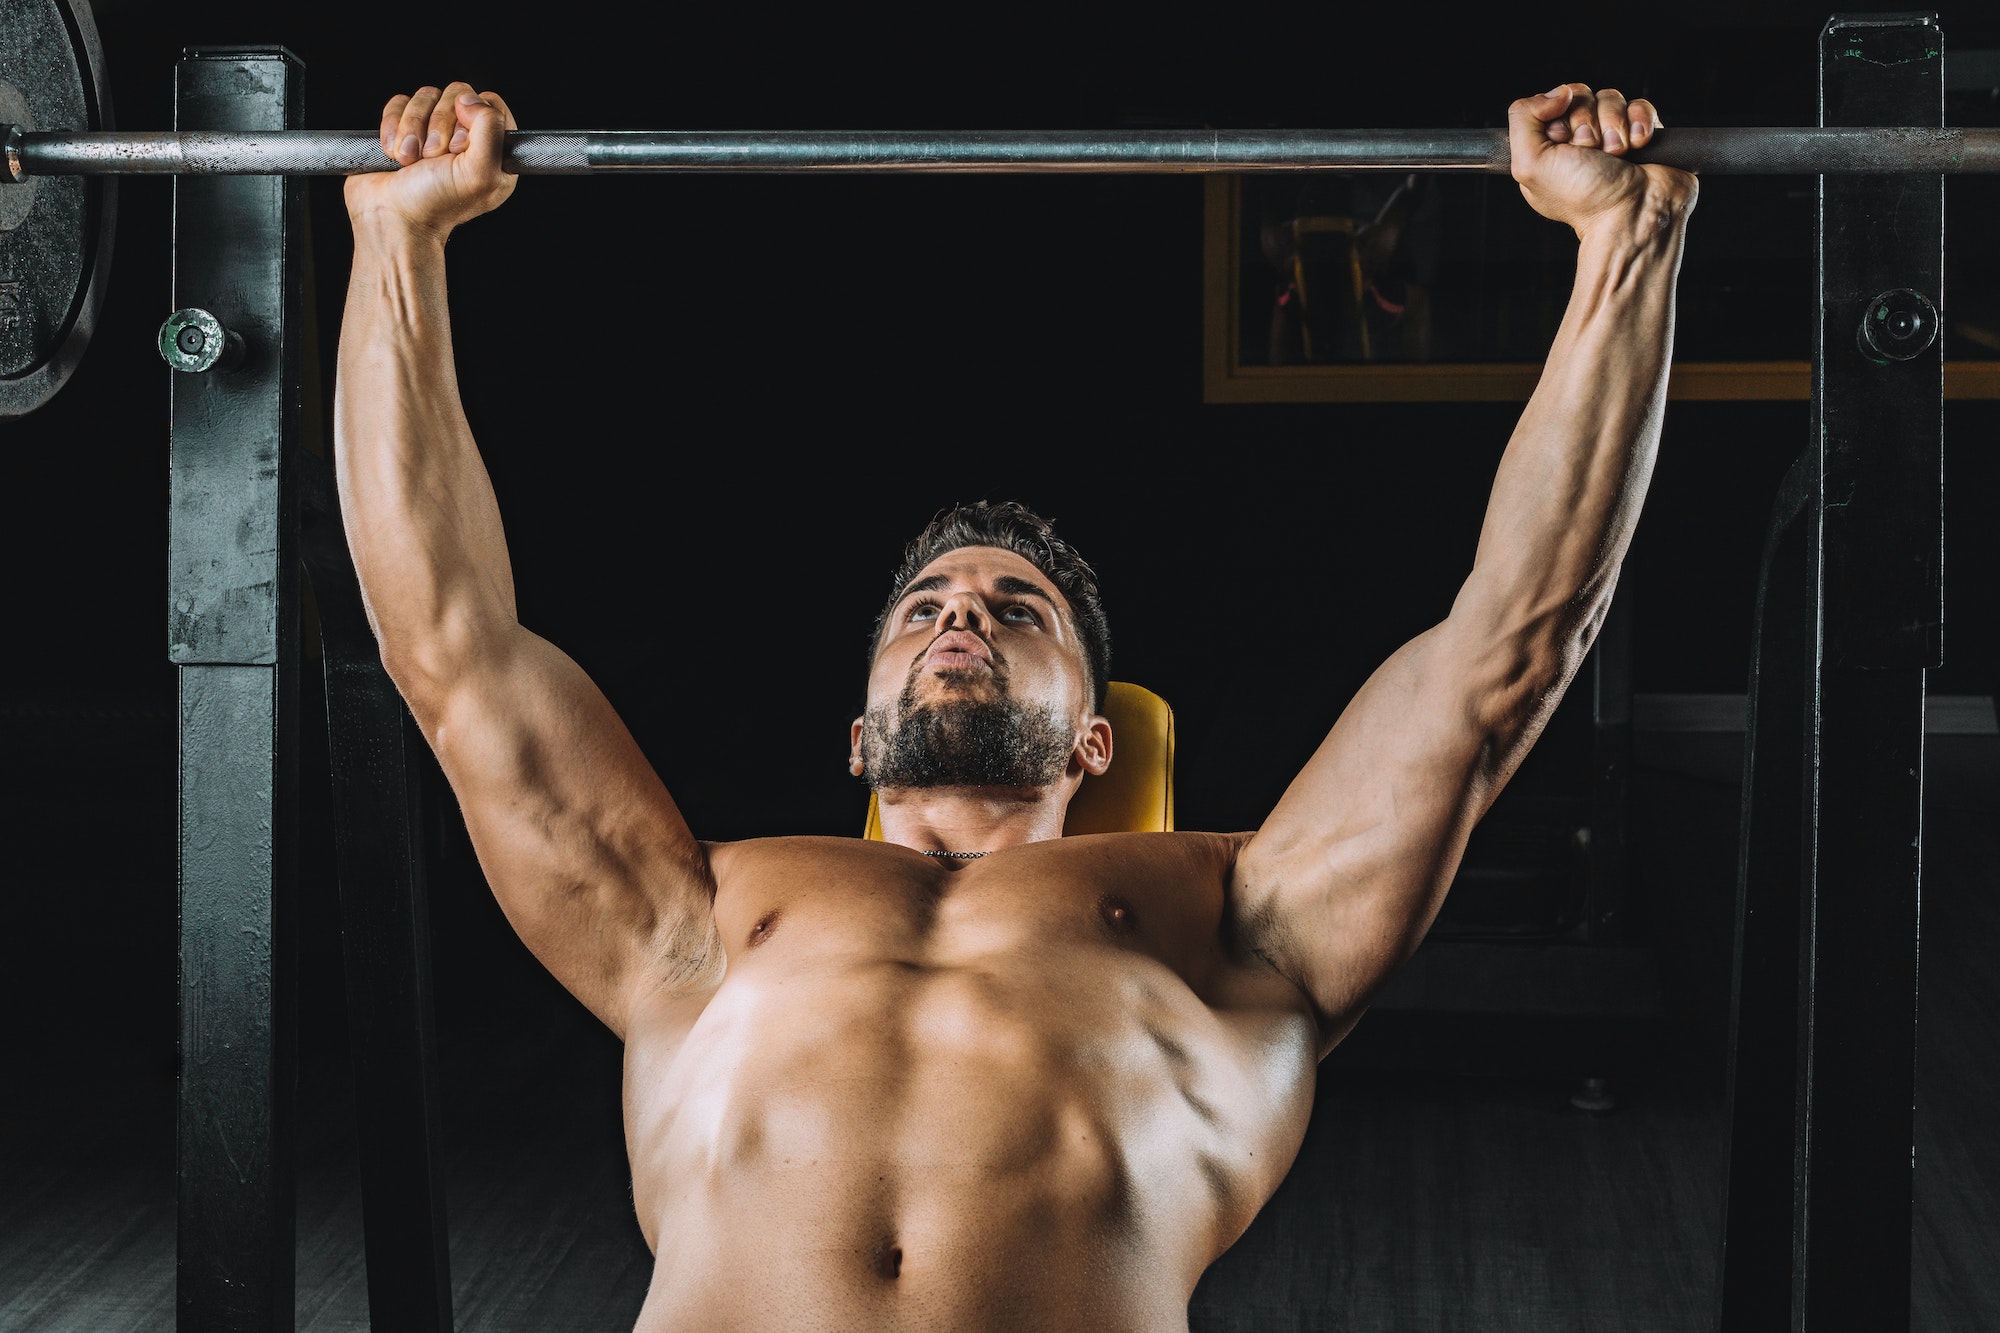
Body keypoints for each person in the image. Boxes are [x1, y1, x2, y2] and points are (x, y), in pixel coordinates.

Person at [336, 80, 1693, 1331]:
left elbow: (1506, 650)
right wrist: (400, 243)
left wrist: (1621, 249)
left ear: (1097, 738)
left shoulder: (1234, 924)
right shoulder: (694, 916)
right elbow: (450, 648)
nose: (962, 616)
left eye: (1015, 609)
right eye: (922, 608)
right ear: (861, 734)